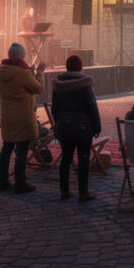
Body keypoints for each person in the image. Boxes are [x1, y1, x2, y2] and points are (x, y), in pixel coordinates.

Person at [0, 43, 45, 194]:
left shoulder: (2, 70)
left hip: (8, 116)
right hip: (22, 116)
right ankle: (20, 182)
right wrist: (39, 73)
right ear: (21, 56)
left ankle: (2, 181)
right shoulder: (23, 73)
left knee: (7, 148)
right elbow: (38, 88)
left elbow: (18, 84)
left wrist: (29, 72)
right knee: (22, 151)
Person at [52, 55, 101, 202]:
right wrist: (97, 126)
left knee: (65, 159)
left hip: (64, 127)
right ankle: (83, 193)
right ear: (80, 67)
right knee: (83, 160)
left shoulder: (58, 86)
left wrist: (60, 122)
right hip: (83, 128)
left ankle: (64, 191)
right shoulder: (85, 85)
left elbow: (55, 109)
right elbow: (92, 107)